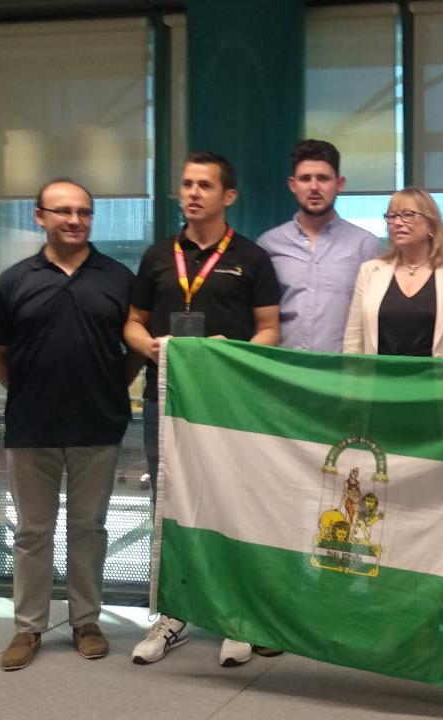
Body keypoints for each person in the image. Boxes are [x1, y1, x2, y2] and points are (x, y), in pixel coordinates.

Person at [124, 150, 282, 668]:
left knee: (232, 503)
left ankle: (236, 616)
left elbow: (269, 330)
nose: (193, 193)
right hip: (163, 403)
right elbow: (133, 322)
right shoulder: (155, 256)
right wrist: (154, 348)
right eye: (187, 184)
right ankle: (171, 614)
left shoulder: (253, 259)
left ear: (228, 196)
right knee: (168, 506)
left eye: (205, 186)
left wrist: (227, 356)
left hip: (228, 408)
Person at [0, 178, 137, 671]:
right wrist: (31, 390)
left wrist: (113, 387)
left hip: (97, 424)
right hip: (32, 428)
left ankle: (86, 621)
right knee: (32, 533)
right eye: (64, 211)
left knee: (89, 529)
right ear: (39, 216)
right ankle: (28, 628)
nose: (75, 220)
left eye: (84, 212)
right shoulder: (14, 280)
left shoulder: (117, 278)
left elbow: (131, 350)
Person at [258, 139, 380, 352]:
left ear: (339, 184)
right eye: (305, 179)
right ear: (293, 185)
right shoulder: (268, 245)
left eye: (323, 178)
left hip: (344, 373)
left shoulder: (365, 245)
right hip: (282, 371)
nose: (314, 187)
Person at [343, 187, 443, 358]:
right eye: (392, 216)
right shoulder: (370, 271)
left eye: (408, 215)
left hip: (440, 381)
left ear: (431, 224)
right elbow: (353, 341)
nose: (398, 223)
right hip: (379, 380)